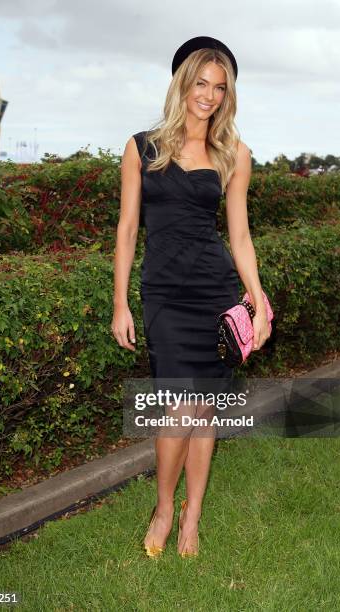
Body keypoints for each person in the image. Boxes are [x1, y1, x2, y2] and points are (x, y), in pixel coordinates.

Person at [111, 36, 270, 558]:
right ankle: (162, 506)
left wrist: (257, 299)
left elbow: (240, 237)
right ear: (182, 84)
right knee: (175, 410)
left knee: (205, 414)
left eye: (219, 88)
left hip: (215, 292)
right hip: (164, 296)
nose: (209, 95)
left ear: (227, 96)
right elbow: (128, 230)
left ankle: (190, 515)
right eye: (201, 83)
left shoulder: (234, 154)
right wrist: (121, 303)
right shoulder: (141, 147)